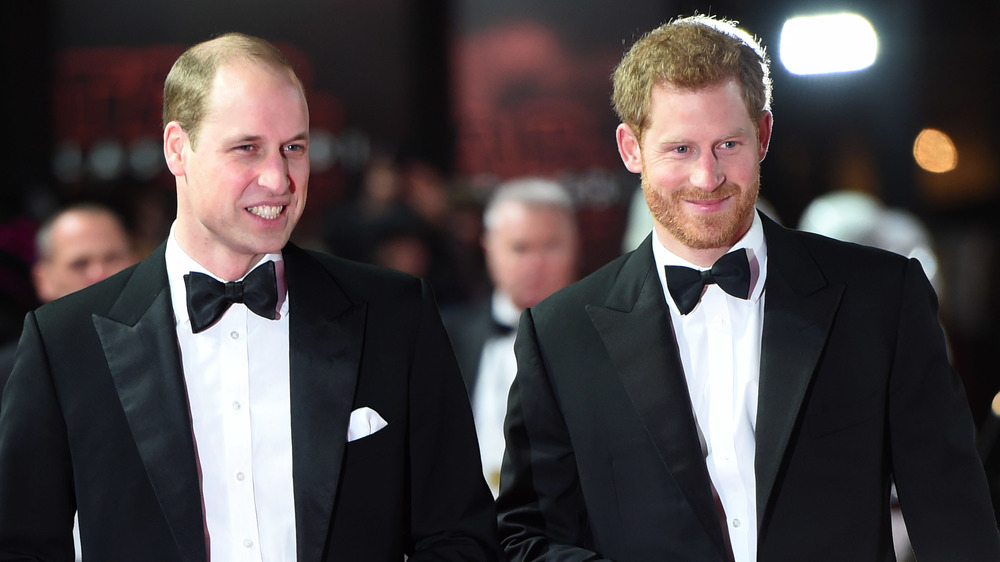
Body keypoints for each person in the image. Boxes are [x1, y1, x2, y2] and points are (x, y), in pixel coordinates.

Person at [497, 14, 1000, 562]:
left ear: (762, 135)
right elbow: (527, 536)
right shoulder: (560, 334)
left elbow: (955, 517)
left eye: (727, 144)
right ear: (630, 148)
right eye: (680, 149)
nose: (706, 178)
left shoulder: (881, 297)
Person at [0, 32, 498, 561]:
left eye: (295, 148)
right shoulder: (66, 342)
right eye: (247, 148)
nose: (278, 178)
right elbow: (21, 546)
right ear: (177, 149)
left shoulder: (396, 315)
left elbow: (459, 534)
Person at [443, 177, 578, 495]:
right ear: (488, 246)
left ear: (576, 245)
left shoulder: (607, 340)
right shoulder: (444, 337)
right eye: (520, 248)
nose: (536, 264)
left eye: (551, 246)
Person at [0, 203, 136, 396]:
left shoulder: (171, 349)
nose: (99, 274)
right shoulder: (10, 377)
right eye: (79, 264)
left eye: (112, 258)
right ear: (43, 280)